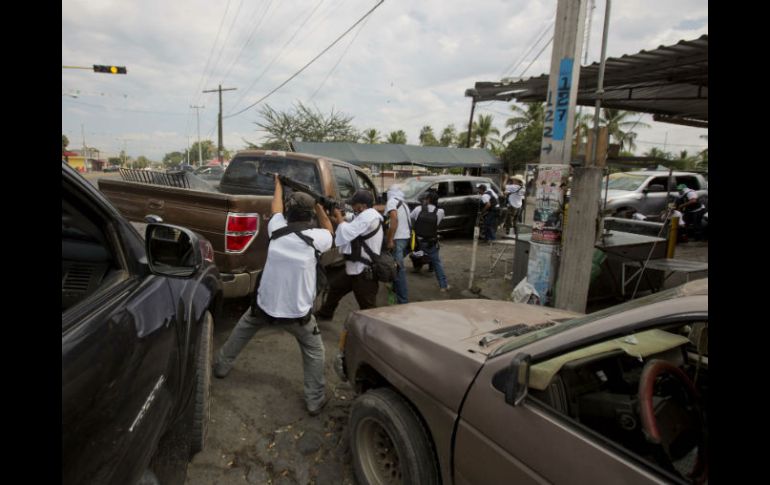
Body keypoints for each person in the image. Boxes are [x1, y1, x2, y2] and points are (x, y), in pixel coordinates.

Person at [213, 175, 334, 416]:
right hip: (297, 315)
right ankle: (314, 400)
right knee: (315, 351)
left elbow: (275, 207)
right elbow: (330, 230)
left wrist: (278, 184)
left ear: (288, 214)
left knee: (242, 330)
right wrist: (321, 207)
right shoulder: (317, 238)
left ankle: (221, 366)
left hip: (263, 306)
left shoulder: (276, 228)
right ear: (310, 215)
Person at [316, 189, 383, 319]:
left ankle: (373, 333)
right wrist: (334, 216)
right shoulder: (365, 215)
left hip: (364, 273)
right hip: (354, 269)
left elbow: (346, 230)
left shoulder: (369, 216)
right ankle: (325, 314)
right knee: (335, 289)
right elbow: (349, 221)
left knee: (368, 309)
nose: (352, 207)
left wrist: (338, 215)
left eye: (355, 204)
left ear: (363, 205)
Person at [410, 189, 450, 292]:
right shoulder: (440, 212)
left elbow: (411, 221)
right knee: (437, 263)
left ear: (427, 199)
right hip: (430, 243)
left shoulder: (418, 209)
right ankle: (443, 286)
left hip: (417, 243)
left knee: (403, 255)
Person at [384, 184, 411, 304]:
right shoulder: (403, 203)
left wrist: (389, 240)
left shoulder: (391, 201)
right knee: (396, 267)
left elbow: (394, 219)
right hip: (405, 238)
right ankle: (396, 291)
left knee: (398, 270)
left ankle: (403, 301)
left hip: (397, 239)